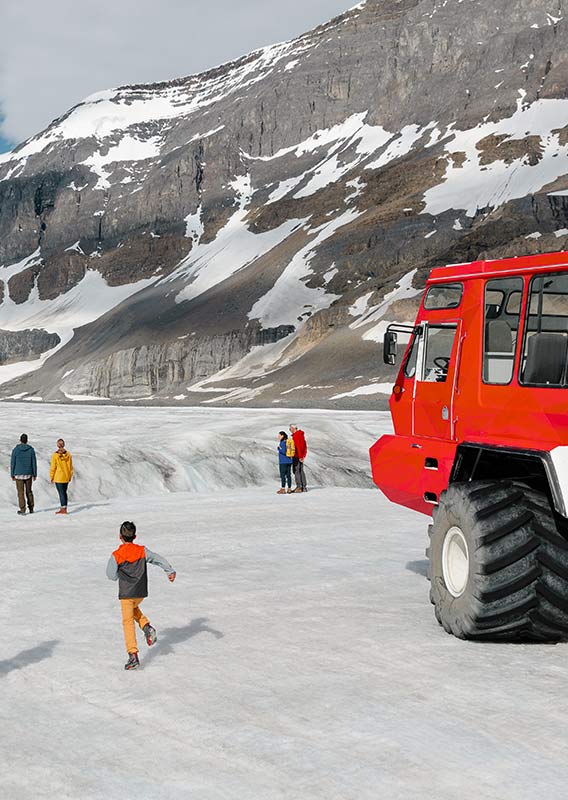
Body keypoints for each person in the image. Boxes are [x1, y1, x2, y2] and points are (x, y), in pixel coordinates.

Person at [106, 520, 176, 670]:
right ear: (135, 536)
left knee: (127, 622)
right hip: (140, 592)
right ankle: (146, 627)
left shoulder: (117, 555)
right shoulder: (142, 551)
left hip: (126, 593)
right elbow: (158, 559)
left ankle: (133, 655)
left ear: (120, 537)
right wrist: (169, 571)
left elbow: (111, 576)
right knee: (132, 609)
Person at [10, 433, 37, 515]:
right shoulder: (31, 449)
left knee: (20, 492)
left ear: (20, 440)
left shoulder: (16, 450)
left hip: (18, 474)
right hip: (28, 473)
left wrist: (12, 474)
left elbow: (12, 463)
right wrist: (34, 474)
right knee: (29, 491)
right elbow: (34, 462)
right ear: (27, 440)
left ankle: (22, 509)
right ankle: (31, 508)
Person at [50, 438, 73, 515]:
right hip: (66, 476)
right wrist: (70, 475)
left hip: (58, 476)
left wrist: (51, 476)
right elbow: (70, 467)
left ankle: (63, 508)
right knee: (64, 492)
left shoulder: (55, 455)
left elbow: (53, 467)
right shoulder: (68, 454)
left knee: (61, 493)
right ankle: (64, 507)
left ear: (57, 445)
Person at [290, 424, 308, 493]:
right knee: (301, 470)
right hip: (300, 456)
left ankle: (299, 487)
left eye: (290, 428)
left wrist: (300, 456)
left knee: (296, 471)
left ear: (293, 428)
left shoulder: (296, 436)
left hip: (297, 456)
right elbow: (305, 446)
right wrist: (303, 456)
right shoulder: (301, 435)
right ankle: (304, 487)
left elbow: (298, 447)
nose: (290, 430)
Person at [277, 430, 294, 494]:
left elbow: (284, 452)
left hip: (283, 461)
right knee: (288, 475)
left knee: (283, 475)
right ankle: (289, 488)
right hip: (289, 461)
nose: (278, 437)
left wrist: (278, 448)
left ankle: (283, 489)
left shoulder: (282, 442)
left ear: (282, 435)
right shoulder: (287, 442)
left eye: (279, 435)